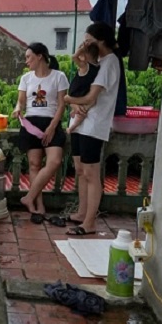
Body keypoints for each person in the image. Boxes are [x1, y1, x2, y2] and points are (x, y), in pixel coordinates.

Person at [63, 22, 121, 236]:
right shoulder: (96, 62)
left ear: (101, 41)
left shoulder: (110, 63)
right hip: (81, 123)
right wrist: (74, 103)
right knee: (80, 170)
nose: (85, 44)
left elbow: (91, 97)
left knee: (90, 173)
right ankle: (81, 212)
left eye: (89, 40)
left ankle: (89, 222)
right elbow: (83, 88)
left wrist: (68, 99)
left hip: (94, 124)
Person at [11, 42, 69, 225]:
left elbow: (61, 104)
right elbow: (21, 101)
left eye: (29, 57)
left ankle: (28, 197)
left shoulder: (59, 76)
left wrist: (52, 127)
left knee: (54, 161)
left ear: (40, 56)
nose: (26, 60)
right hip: (31, 122)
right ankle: (38, 207)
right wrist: (17, 109)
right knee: (34, 164)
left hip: (51, 122)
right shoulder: (26, 78)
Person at [67, 42, 101, 134]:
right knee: (82, 108)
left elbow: (74, 57)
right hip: (83, 93)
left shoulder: (85, 66)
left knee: (81, 112)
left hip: (78, 94)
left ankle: (72, 127)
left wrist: (81, 49)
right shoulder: (98, 67)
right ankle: (74, 111)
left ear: (85, 55)